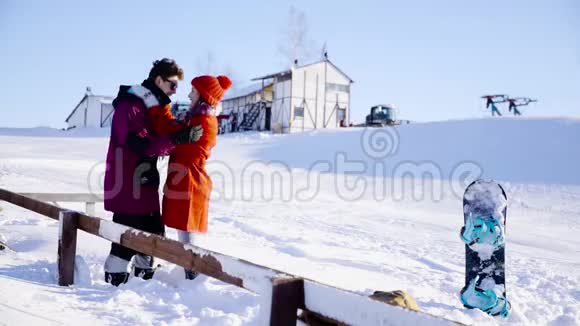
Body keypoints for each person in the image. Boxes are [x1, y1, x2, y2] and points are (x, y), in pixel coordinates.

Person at [103, 58, 203, 286]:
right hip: (127, 183)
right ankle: (113, 286)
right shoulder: (130, 106)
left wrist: (183, 132)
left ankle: (144, 283)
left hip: (145, 182)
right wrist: (176, 139)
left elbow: (160, 134)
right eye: (173, 85)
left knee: (154, 236)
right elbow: (140, 144)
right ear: (159, 80)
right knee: (127, 238)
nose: (176, 91)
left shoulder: (152, 107)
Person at [148, 75, 231, 280]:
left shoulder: (203, 122)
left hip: (191, 181)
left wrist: (164, 111)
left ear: (203, 96)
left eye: (193, 91)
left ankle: (193, 276)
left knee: (188, 232)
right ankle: (190, 275)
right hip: (184, 179)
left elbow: (176, 137)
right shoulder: (196, 118)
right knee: (183, 230)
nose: (188, 94)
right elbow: (174, 132)